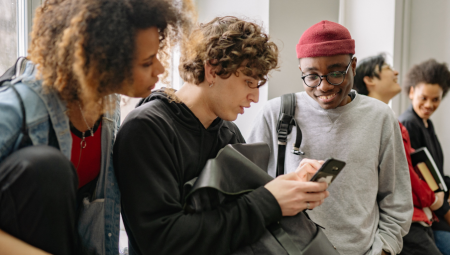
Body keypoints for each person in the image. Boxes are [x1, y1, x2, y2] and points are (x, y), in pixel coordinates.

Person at [114, 16, 330, 255]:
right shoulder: (146, 129)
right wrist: (269, 201)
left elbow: (244, 215)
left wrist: (289, 187)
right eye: (249, 82)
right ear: (213, 69)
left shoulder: (228, 132)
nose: (255, 97)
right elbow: (163, 241)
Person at [0, 0, 186, 254]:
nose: (160, 69)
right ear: (101, 61)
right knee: (46, 166)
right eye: (147, 62)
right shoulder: (16, 106)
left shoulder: (106, 105)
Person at [247, 21, 413, 255]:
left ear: (353, 66)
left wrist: (383, 250)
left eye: (336, 73)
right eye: (312, 76)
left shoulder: (380, 117)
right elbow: (248, 193)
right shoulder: (276, 113)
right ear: (301, 71)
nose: (324, 86)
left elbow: (397, 200)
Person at [353, 53, 445, 255]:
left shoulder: (388, 119)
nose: (395, 72)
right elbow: (405, 174)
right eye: (386, 68)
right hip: (403, 218)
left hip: (409, 217)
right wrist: (435, 200)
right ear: (369, 80)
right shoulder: (371, 121)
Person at [398, 59, 450, 255]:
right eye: (424, 98)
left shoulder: (426, 123)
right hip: (427, 215)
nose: (429, 105)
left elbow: (436, 172)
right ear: (412, 92)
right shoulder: (409, 124)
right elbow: (422, 180)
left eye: (435, 99)